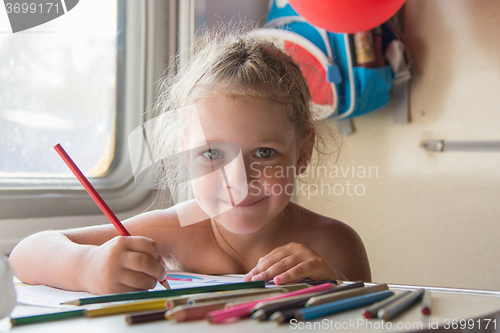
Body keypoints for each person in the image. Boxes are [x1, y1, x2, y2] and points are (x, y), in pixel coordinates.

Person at [9, 26, 371, 295]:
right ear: (186, 151)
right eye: (212, 153)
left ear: (302, 153)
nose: (238, 180)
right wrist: (87, 267)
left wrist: (333, 287)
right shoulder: (174, 231)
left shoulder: (334, 244)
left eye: (263, 153)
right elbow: (27, 252)